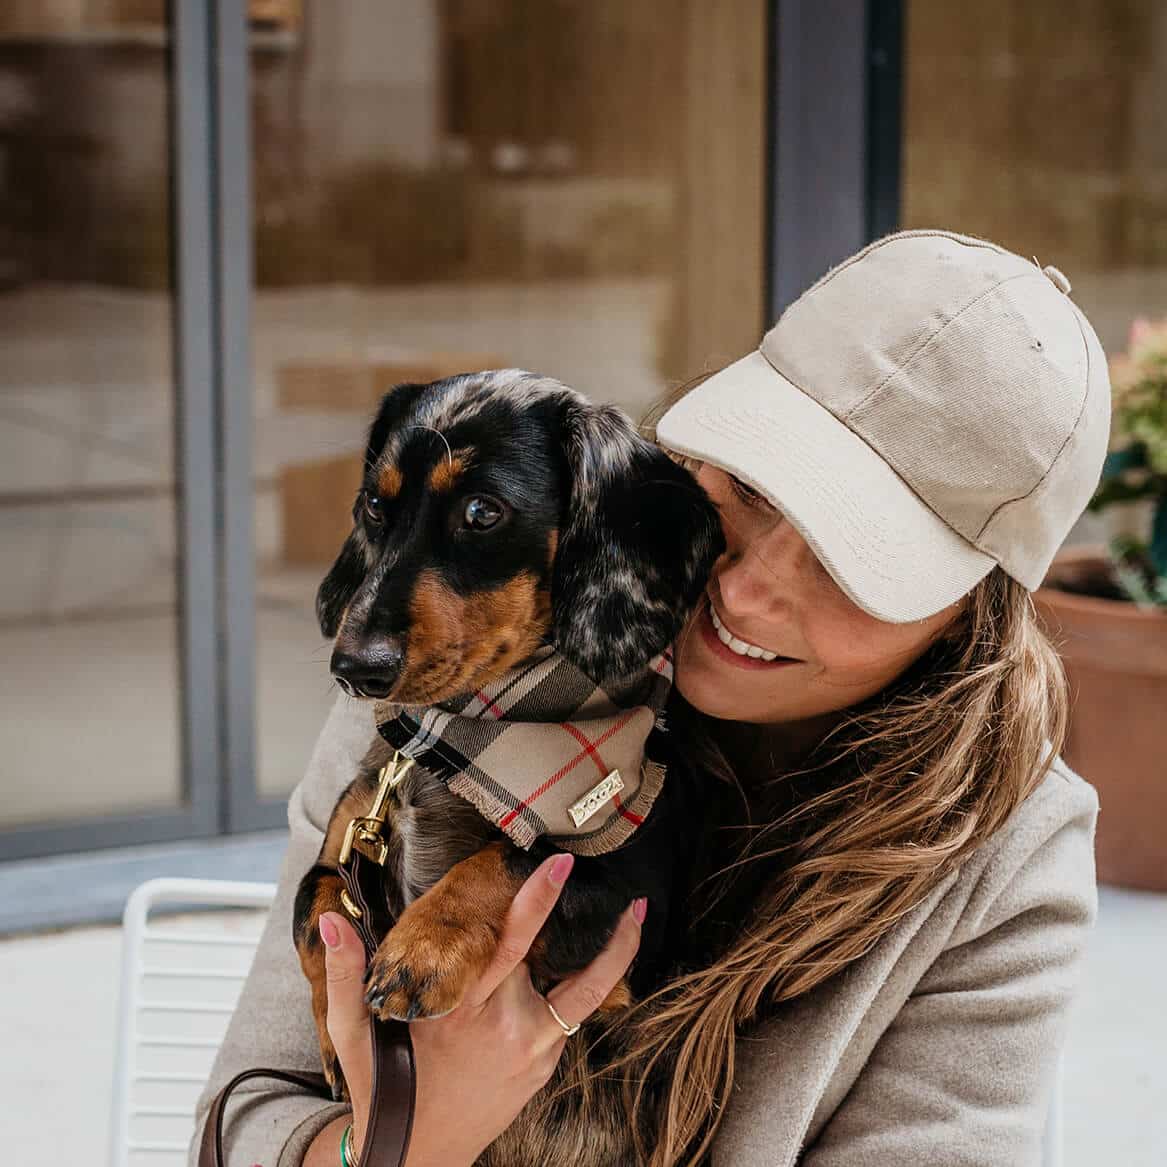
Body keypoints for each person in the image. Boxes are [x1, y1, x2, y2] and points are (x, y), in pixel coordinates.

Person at [191, 230, 1106, 1167]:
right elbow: (241, 1119)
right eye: (750, 489)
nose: (745, 593)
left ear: (966, 612)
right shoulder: (453, 690)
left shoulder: (1004, 864)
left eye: (848, 561)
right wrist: (400, 1144)